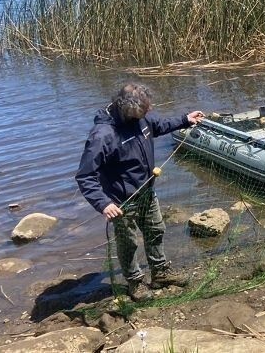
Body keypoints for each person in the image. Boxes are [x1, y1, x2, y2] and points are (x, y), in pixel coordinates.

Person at [76, 83, 205, 301]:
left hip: (146, 190)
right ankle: (135, 282)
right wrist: (103, 203)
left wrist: (185, 119)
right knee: (129, 243)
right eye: (145, 109)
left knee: (156, 229)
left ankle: (161, 273)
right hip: (122, 202)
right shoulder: (103, 135)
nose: (150, 110)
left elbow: (160, 125)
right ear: (130, 111)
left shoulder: (143, 118)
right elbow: (85, 176)